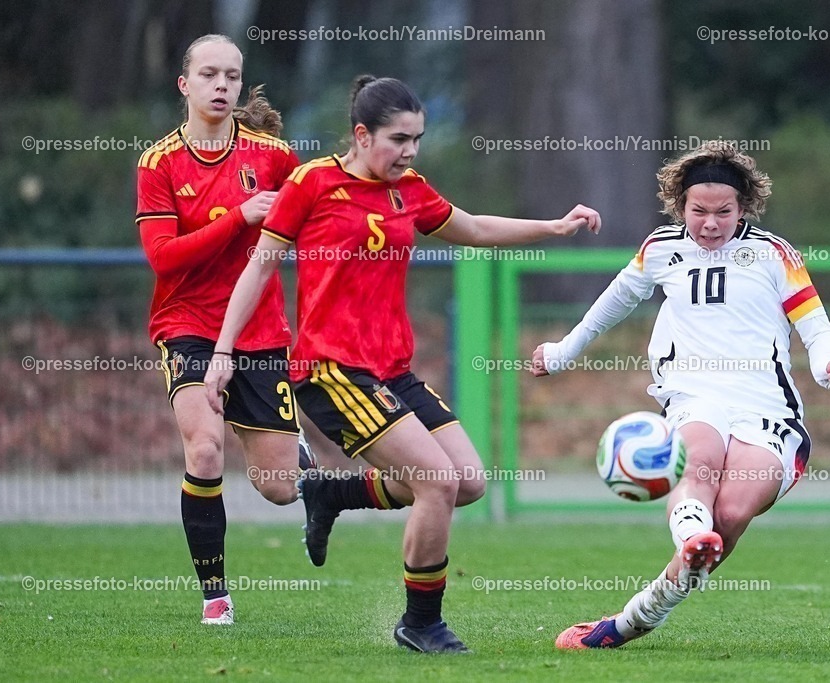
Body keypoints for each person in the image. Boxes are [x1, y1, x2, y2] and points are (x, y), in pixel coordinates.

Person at [202, 74, 600, 652]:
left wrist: (554, 226)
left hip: (391, 370)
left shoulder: (409, 189)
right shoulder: (312, 183)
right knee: (436, 482)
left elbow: (473, 227)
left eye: (417, 139)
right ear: (362, 135)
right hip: (331, 370)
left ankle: (333, 495)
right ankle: (420, 624)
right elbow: (260, 267)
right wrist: (223, 352)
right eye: (398, 139)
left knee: (468, 482)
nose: (410, 151)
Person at [532, 141, 830, 649]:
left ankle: (636, 617)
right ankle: (688, 543)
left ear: (743, 207)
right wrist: (561, 351)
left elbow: (816, 328)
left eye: (723, 212)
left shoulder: (774, 254)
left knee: (731, 514)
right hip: (693, 394)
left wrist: (826, 367)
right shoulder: (660, 248)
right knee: (698, 456)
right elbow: (611, 304)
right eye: (698, 211)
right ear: (679, 205)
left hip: (767, 408)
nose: (710, 224)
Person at [136, 34, 316, 626]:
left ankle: (298, 454)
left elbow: (320, 211)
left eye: (232, 76)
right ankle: (215, 595)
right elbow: (163, 257)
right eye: (209, 74)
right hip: (186, 324)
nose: (221, 85)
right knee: (206, 446)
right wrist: (240, 216)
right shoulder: (159, 163)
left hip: (259, 330)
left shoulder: (272, 156)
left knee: (280, 488)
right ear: (184, 84)